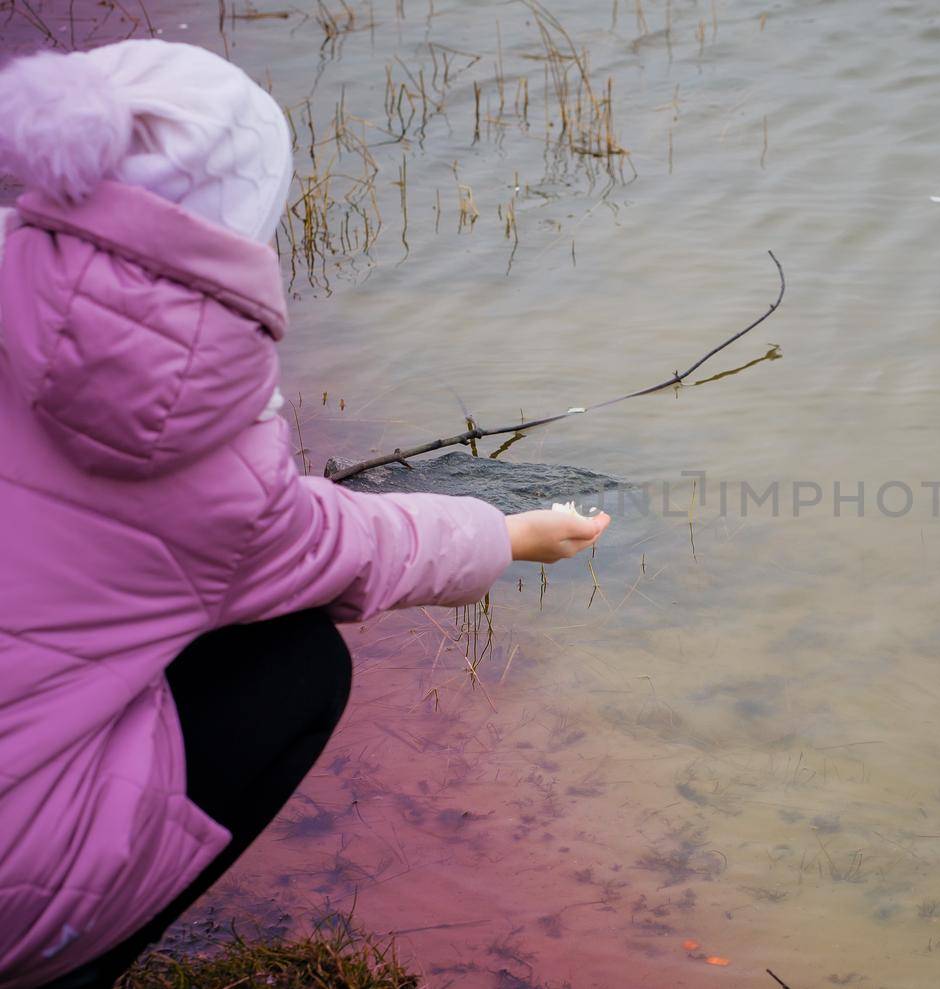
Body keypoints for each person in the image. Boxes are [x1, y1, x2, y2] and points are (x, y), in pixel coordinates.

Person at [0, 40, 610, 988]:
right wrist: (507, 533)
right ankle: (62, 958)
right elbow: (352, 547)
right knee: (294, 662)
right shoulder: (204, 455)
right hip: (9, 893)